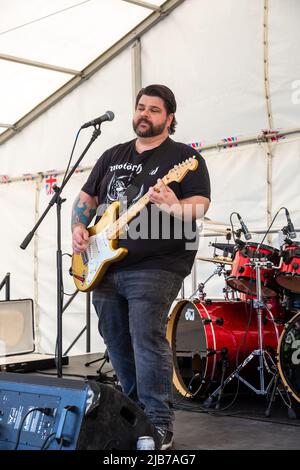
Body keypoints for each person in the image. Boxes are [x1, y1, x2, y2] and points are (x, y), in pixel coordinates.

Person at [71, 84, 211, 449]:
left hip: (157, 263)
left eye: (153, 110)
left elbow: (199, 206)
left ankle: (159, 424)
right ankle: (136, 417)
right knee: (116, 341)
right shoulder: (111, 154)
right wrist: (78, 227)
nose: (144, 114)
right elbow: (87, 198)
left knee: (146, 339)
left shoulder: (184, 158)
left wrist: (173, 206)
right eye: (140, 108)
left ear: (169, 118)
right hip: (104, 265)